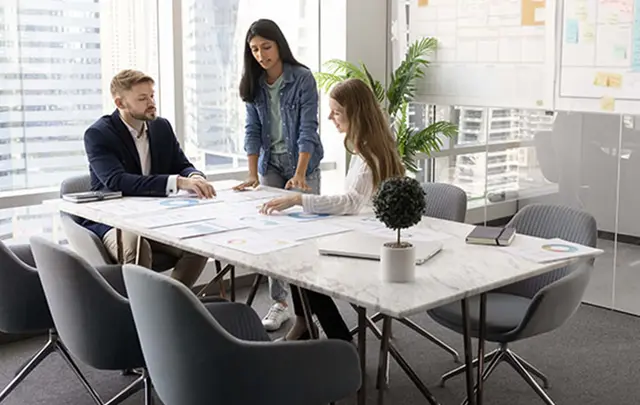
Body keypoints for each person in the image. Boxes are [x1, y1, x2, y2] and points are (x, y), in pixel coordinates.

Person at [260, 78, 405, 341]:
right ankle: (305, 325)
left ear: (356, 114)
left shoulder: (370, 154)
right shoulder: (367, 146)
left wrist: (298, 200)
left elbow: (351, 202)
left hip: (370, 245)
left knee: (303, 264)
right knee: (297, 256)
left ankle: (340, 340)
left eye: (336, 112)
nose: (330, 117)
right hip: (363, 233)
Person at [82, 69, 214, 288]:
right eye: (142, 98)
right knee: (136, 245)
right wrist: (179, 182)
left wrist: (195, 176)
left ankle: (171, 304)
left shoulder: (161, 126)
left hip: (154, 217)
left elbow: (181, 164)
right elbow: (117, 180)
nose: (151, 102)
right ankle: (139, 314)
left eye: (152, 95)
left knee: (199, 243)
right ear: (120, 103)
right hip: (115, 221)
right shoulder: (98, 134)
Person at [234, 19, 324, 332]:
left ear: (279, 45)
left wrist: (300, 174)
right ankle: (281, 303)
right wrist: (252, 174)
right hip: (270, 163)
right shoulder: (254, 83)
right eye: (254, 49)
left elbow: (308, 128)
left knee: (304, 233)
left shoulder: (302, 78)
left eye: (266, 47)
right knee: (272, 234)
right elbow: (253, 129)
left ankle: (311, 306)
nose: (261, 54)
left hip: (302, 162)